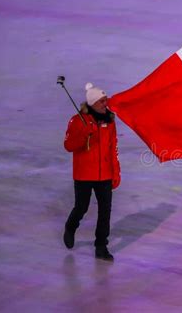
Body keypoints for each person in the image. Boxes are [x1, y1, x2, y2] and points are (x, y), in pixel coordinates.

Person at [63, 82, 121, 261]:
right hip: (84, 175)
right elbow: (68, 145)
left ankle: (101, 246)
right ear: (92, 103)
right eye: (102, 101)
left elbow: (113, 149)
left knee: (105, 211)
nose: (106, 104)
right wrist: (83, 135)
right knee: (82, 207)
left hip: (104, 175)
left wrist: (115, 172)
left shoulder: (109, 121)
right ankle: (71, 227)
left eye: (105, 100)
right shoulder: (77, 120)